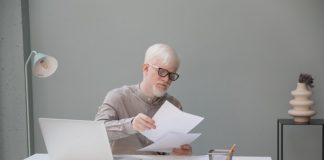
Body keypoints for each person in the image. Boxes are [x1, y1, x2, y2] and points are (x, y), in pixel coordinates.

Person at [95, 43, 192, 155]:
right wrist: (131, 125)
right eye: (162, 72)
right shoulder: (118, 97)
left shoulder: (174, 105)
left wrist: (178, 155)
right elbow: (97, 132)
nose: (166, 79)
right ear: (146, 68)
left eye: (171, 75)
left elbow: (169, 152)